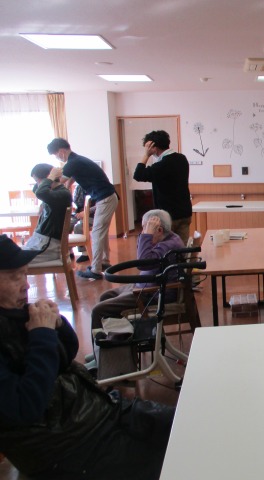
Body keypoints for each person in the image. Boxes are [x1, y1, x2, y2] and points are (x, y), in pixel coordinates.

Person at [0, 234, 174, 479]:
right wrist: (42, 335)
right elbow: (26, 407)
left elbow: (66, 356)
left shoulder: (16, 314)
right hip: (68, 448)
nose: (26, 285)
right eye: (14, 276)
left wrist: (57, 326)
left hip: (99, 412)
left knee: (186, 425)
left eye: (25, 274)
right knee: (173, 463)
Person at [91, 209, 184, 330]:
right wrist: (147, 235)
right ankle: (119, 334)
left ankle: (107, 339)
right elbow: (142, 254)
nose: (143, 232)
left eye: (145, 228)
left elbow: (143, 263)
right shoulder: (168, 238)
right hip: (145, 287)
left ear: (159, 230)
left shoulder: (169, 246)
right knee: (106, 296)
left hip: (152, 294)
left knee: (98, 311)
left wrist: (147, 235)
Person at [47, 138, 119, 280]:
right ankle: (104, 262)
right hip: (108, 197)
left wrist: (51, 177)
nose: (57, 158)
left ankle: (96, 270)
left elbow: (56, 183)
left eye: (55, 155)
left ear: (61, 151)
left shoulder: (72, 163)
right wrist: (67, 185)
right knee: (101, 231)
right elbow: (71, 179)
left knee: (97, 233)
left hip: (105, 198)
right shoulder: (77, 160)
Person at [133, 130, 192, 245]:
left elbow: (138, 175)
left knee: (167, 250)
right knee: (182, 248)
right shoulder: (182, 159)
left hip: (168, 216)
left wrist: (146, 155)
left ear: (153, 147)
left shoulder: (162, 165)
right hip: (185, 212)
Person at [22, 163, 72, 265]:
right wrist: (49, 178)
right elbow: (37, 190)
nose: (37, 184)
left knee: (9, 263)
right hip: (41, 242)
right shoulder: (53, 192)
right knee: (8, 257)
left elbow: (40, 192)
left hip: (48, 246)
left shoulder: (62, 194)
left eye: (37, 181)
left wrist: (51, 176)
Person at [69, 184, 95, 263]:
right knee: (67, 225)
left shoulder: (94, 186)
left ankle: (85, 253)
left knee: (78, 227)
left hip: (92, 216)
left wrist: (86, 212)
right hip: (79, 213)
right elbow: (75, 202)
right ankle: (69, 251)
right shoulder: (78, 187)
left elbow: (99, 206)